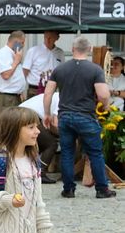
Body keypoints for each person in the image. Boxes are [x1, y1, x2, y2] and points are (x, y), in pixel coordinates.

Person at [43, 35, 116, 199]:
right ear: (89, 50)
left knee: (67, 152)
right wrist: (106, 106)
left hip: (65, 116)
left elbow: (48, 93)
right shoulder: (95, 70)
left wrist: (47, 114)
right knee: (95, 153)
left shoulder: (59, 69)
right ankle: (102, 189)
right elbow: (103, 94)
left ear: (73, 49)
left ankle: (68, 189)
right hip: (86, 117)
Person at [17, 93, 59, 183]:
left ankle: (30, 170)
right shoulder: (64, 98)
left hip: (21, 113)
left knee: (37, 143)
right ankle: (41, 173)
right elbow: (56, 124)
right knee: (51, 143)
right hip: (28, 115)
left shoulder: (60, 95)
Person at [0, 31, 27, 116]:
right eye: (22, 43)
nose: (23, 46)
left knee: (15, 125)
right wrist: (16, 61)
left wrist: (20, 91)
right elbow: (6, 75)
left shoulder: (14, 54)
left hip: (15, 96)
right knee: (5, 125)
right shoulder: (2, 54)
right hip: (6, 98)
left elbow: (16, 76)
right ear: (16, 43)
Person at [22, 31, 62, 96]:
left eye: (51, 38)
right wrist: (21, 90)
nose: (48, 40)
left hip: (52, 90)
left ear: (57, 38)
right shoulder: (33, 51)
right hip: (34, 90)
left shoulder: (60, 53)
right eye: (46, 37)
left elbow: (61, 71)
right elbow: (25, 72)